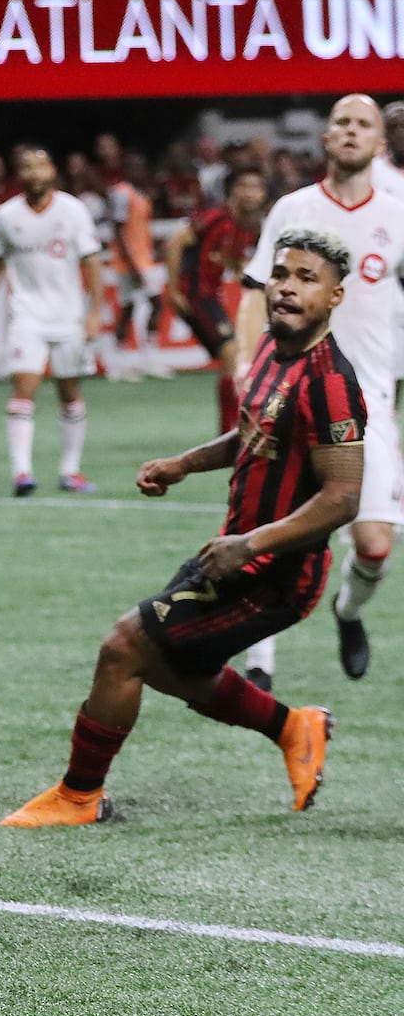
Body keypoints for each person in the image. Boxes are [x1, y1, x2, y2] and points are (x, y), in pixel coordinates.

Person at [2, 228, 364, 826]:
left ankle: (78, 796)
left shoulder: (331, 383)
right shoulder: (276, 350)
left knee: (124, 647)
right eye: (281, 274)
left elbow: (343, 498)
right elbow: (254, 430)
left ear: (334, 297)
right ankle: (293, 727)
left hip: (276, 572)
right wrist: (185, 464)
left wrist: (250, 544)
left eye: (307, 279)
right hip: (236, 553)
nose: (288, 288)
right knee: (178, 669)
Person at [235, 95, 404, 690]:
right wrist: (245, 367)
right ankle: (260, 662)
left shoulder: (399, 211)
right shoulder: (294, 208)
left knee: (376, 546)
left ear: (379, 142)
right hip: (290, 395)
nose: (351, 131)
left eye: (364, 124)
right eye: (342, 122)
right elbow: (257, 291)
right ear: (327, 137)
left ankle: (348, 612)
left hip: (370, 404)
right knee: (273, 532)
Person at [0, 147, 104, 496]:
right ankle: (22, 472)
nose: (35, 174)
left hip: (69, 316)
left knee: (69, 391)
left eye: (40, 167)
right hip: (26, 316)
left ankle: (70, 471)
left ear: (52, 171)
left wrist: (95, 311)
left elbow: (93, 262)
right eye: (27, 168)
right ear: (19, 175)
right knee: (24, 388)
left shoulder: (74, 211)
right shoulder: (6, 215)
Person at [164, 167, 268, 434]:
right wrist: (174, 290)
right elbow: (175, 243)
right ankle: (229, 431)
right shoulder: (215, 217)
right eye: (244, 186)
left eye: (256, 188)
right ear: (233, 191)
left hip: (211, 297)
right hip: (195, 295)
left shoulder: (244, 227)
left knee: (234, 358)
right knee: (232, 355)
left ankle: (232, 428)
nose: (250, 193)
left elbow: (232, 263)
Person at [106, 155, 167, 380]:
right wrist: (131, 262)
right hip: (132, 262)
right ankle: (127, 362)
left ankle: (131, 361)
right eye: (134, 166)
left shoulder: (140, 193)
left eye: (141, 166)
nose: (138, 171)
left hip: (142, 259)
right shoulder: (123, 193)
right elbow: (119, 229)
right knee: (148, 305)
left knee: (134, 308)